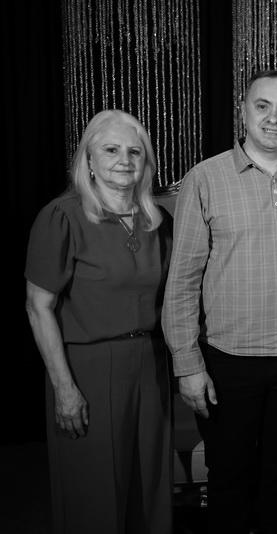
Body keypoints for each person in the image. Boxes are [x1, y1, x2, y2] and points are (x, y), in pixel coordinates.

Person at [162, 70, 277, 533]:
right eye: (263, 106)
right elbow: (183, 280)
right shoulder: (205, 178)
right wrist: (187, 364)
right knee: (229, 478)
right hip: (228, 363)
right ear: (243, 111)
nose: (274, 118)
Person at [25, 110, 172, 534]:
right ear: (88, 159)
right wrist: (64, 388)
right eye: (111, 150)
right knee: (94, 494)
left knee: (149, 489)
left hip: (150, 366)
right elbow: (38, 306)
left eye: (135, 152)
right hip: (87, 370)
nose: (124, 160)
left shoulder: (157, 222)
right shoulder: (63, 216)